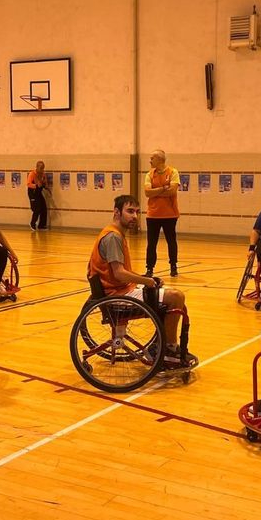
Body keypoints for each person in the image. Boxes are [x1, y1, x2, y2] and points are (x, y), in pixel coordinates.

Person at [88, 194, 197, 367]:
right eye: (130, 211)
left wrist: (146, 279)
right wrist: (147, 282)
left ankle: (161, 345)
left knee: (168, 295)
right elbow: (119, 273)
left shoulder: (114, 233)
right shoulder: (113, 237)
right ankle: (168, 350)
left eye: (137, 212)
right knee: (176, 297)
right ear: (116, 212)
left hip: (119, 290)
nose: (134, 216)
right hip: (117, 295)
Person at [143, 149, 180, 277]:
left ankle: (173, 266)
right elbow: (147, 192)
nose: (150, 160)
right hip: (153, 214)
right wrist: (163, 188)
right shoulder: (149, 174)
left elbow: (172, 191)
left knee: (171, 241)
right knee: (151, 243)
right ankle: (149, 268)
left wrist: (156, 191)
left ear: (160, 159)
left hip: (170, 214)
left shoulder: (173, 172)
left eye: (152, 158)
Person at [27, 160, 50, 230]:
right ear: (37, 167)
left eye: (43, 168)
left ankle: (41, 225)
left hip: (39, 193)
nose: (42, 170)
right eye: (41, 168)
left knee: (43, 208)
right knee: (36, 209)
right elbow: (28, 184)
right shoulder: (32, 174)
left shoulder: (43, 174)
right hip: (33, 193)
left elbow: (44, 183)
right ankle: (32, 224)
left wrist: (46, 187)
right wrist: (36, 185)